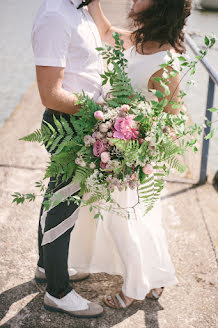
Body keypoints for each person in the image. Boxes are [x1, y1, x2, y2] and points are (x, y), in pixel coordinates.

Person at [68, 0, 191, 309]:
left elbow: (172, 121)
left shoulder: (166, 64)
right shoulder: (139, 40)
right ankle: (157, 278)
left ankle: (135, 286)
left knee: (121, 223)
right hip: (115, 150)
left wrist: (136, 147)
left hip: (136, 160)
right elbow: (107, 31)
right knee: (141, 222)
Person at [31, 0, 105, 318]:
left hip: (81, 120)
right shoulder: (54, 16)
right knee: (64, 204)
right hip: (67, 123)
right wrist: (102, 111)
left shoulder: (81, 10)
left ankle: (47, 268)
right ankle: (58, 292)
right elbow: (50, 94)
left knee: (58, 197)